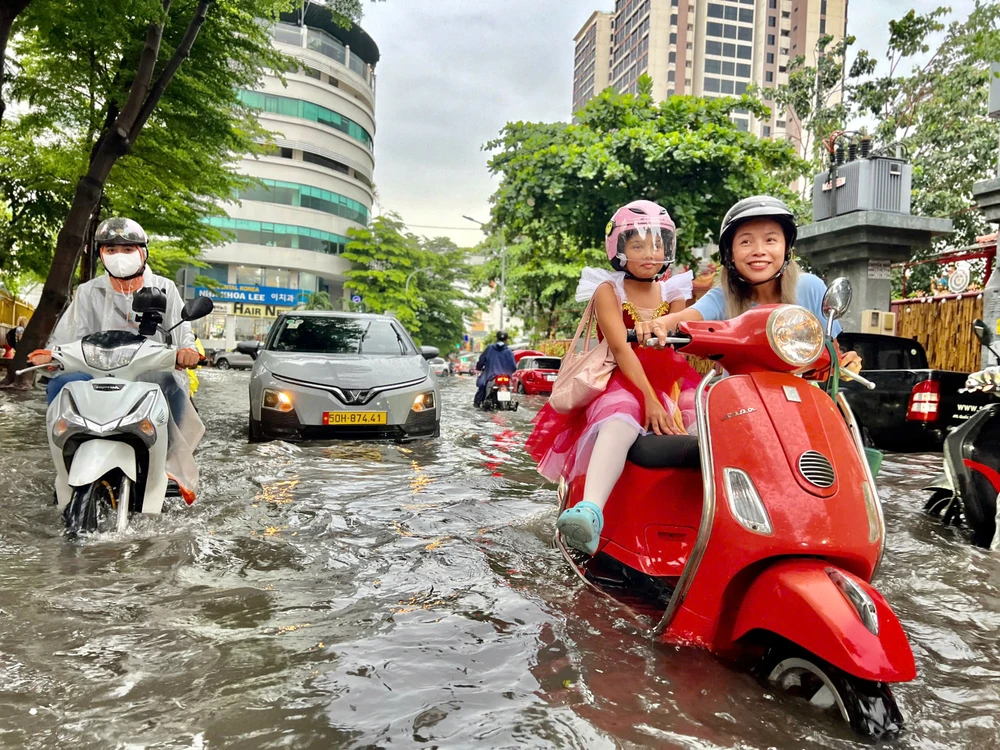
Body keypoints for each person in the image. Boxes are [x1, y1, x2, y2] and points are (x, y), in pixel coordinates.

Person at [526, 200, 701, 555]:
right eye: (637, 245)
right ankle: (590, 512)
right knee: (619, 418)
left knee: (707, 417)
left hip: (669, 382)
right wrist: (649, 399)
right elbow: (621, 349)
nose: (649, 253)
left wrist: (666, 397)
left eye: (657, 244)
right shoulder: (608, 289)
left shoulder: (675, 291)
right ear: (618, 249)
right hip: (621, 382)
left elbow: (683, 343)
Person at [28, 217, 205, 502]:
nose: (119, 256)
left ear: (143, 252)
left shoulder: (165, 288)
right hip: (96, 373)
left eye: (127, 249)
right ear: (101, 254)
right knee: (59, 385)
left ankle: (168, 464)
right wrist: (52, 355)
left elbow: (183, 334)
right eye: (111, 249)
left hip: (148, 371)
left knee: (171, 386)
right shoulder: (88, 292)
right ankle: (67, 460)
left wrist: (187, 352)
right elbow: (67, 336)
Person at [637, 195, 862, 373]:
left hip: (805, 401)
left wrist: (846, 362)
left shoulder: (810, 287)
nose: (759, 251)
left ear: (786, 248)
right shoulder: (723, 297)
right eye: (746, 241)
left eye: (770, 240)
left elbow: (832, 353)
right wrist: (655, 325)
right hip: (739, 403)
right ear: (730, 254)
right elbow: (683, 319)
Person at [474, 330, 516, 407]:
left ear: (497, 338)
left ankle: (477, 405)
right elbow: (514, 367)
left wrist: (479, 367)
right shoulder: (509, 351)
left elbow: (481, 361)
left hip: (490, 376)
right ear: (506, 340)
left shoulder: (489, 348)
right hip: (506, 378)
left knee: (481, 388)